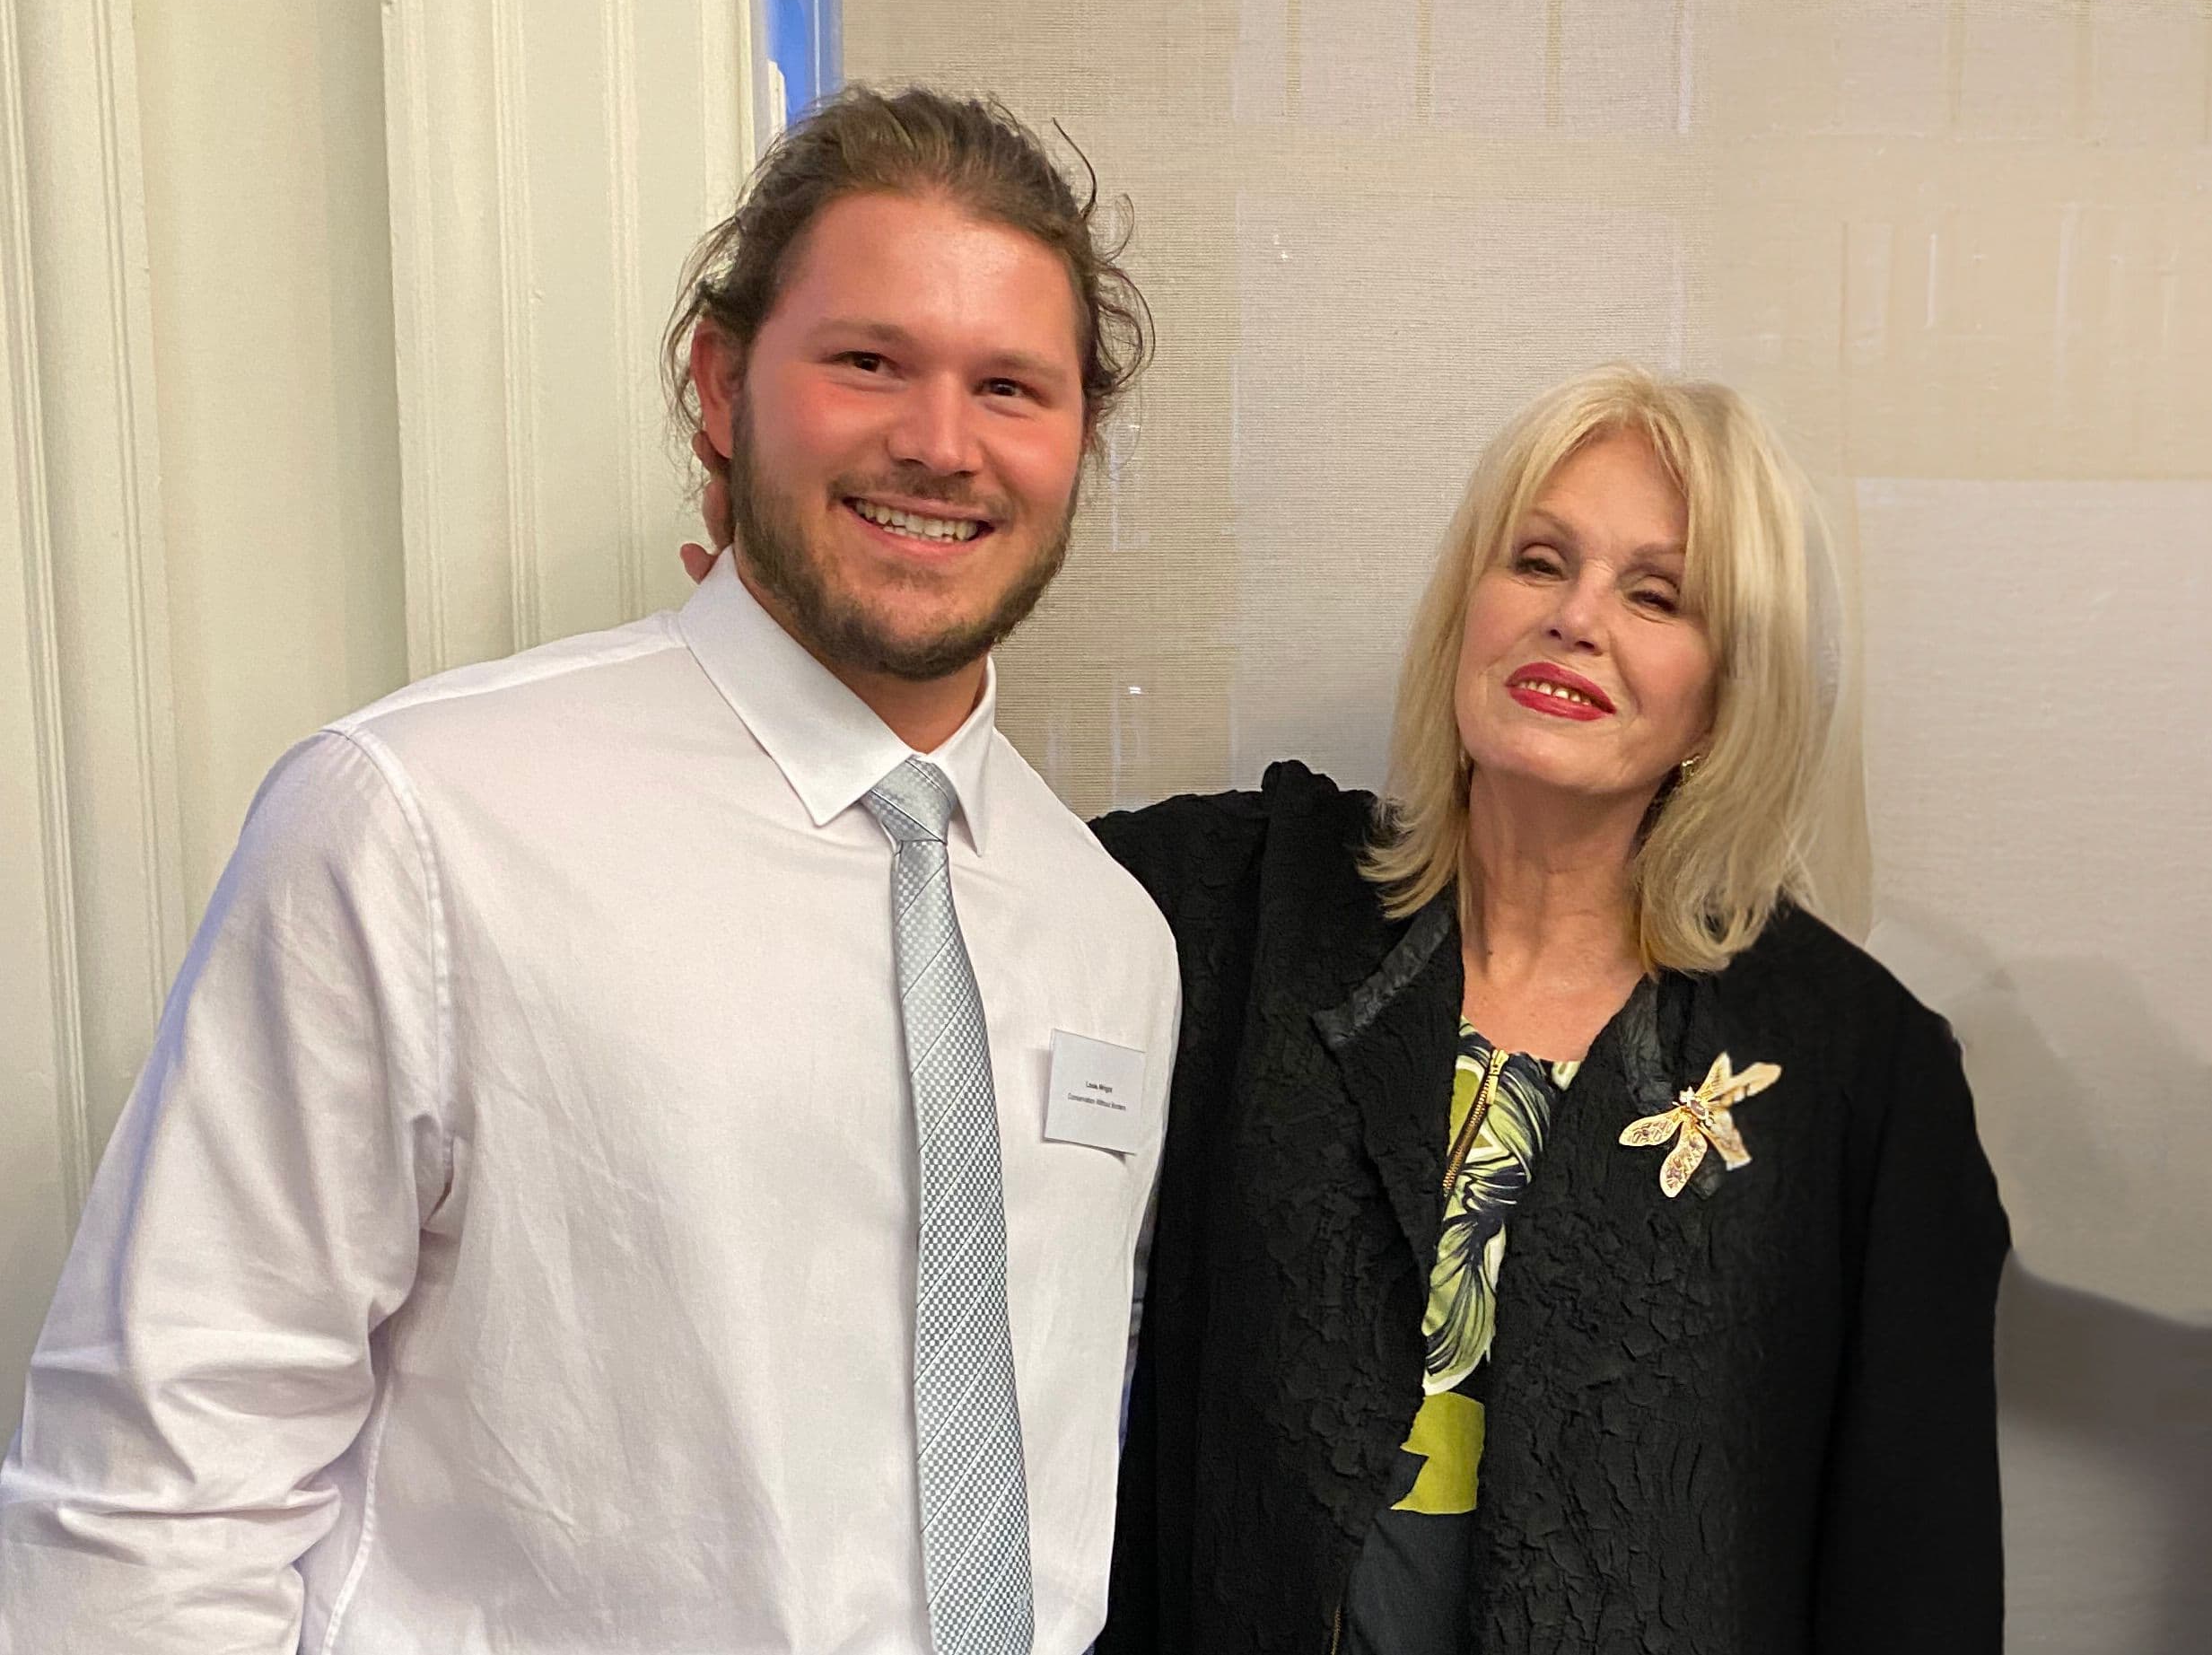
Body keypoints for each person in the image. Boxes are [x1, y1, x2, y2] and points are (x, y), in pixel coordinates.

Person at [0, 87, 1177, 1654]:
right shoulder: (421, 824)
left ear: (1076, 443)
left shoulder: (1108, 939)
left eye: (1009, 386)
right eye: (868, 360)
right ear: (721, 383)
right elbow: (150, 1501)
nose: (938, 442)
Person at [676, 358, 2007, 1651]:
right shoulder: (1241, 907)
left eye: (1656, 596)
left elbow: (1913, 1571)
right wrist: (810, 647)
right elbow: (921, 892)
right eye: (1537, 561)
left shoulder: (1855, 1069)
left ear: (1726, 694)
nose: (1574, 615)